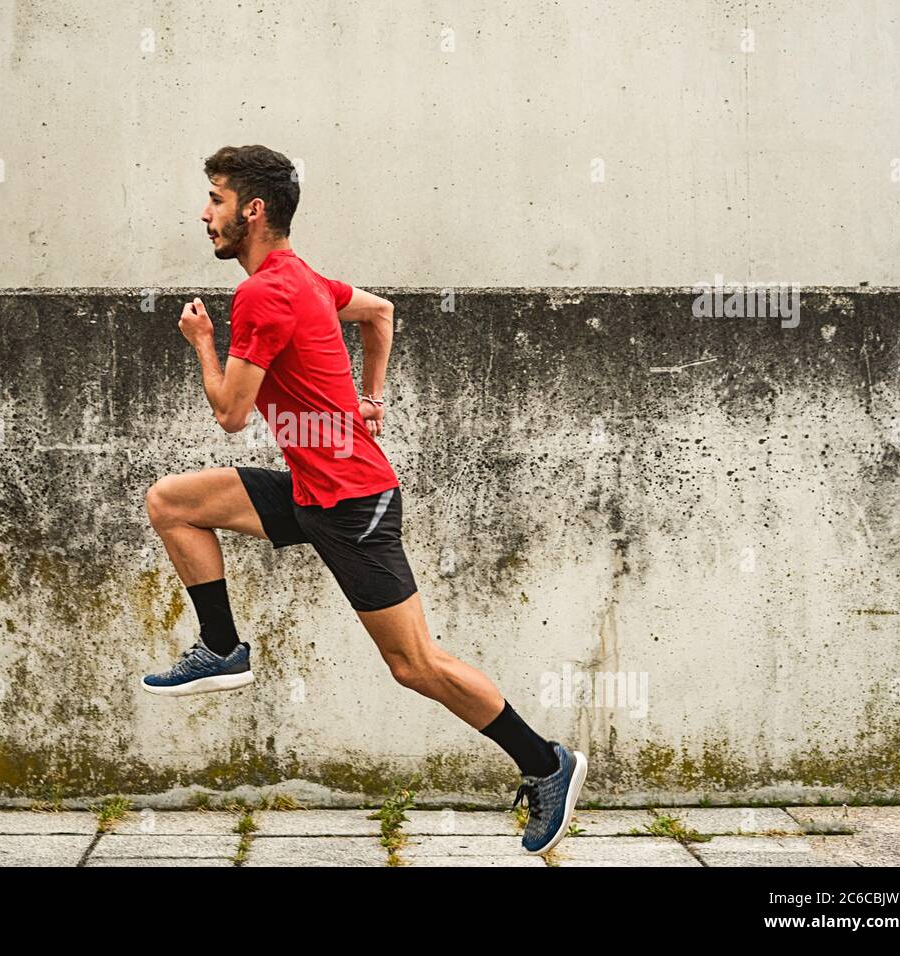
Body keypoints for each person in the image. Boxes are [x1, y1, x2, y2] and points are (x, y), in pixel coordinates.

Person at [141, 144, 586, 855]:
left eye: (217, 200)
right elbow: (379, 313)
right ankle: (223, 647)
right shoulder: (303, 278)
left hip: (353, 502)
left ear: (252, 211)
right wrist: (370, 397)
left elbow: (229, 411)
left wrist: (201, 340)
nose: (205, 213)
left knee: (415, 665)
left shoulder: (264, 292)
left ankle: (546, 762)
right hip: (312, 490)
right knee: (173, 502)